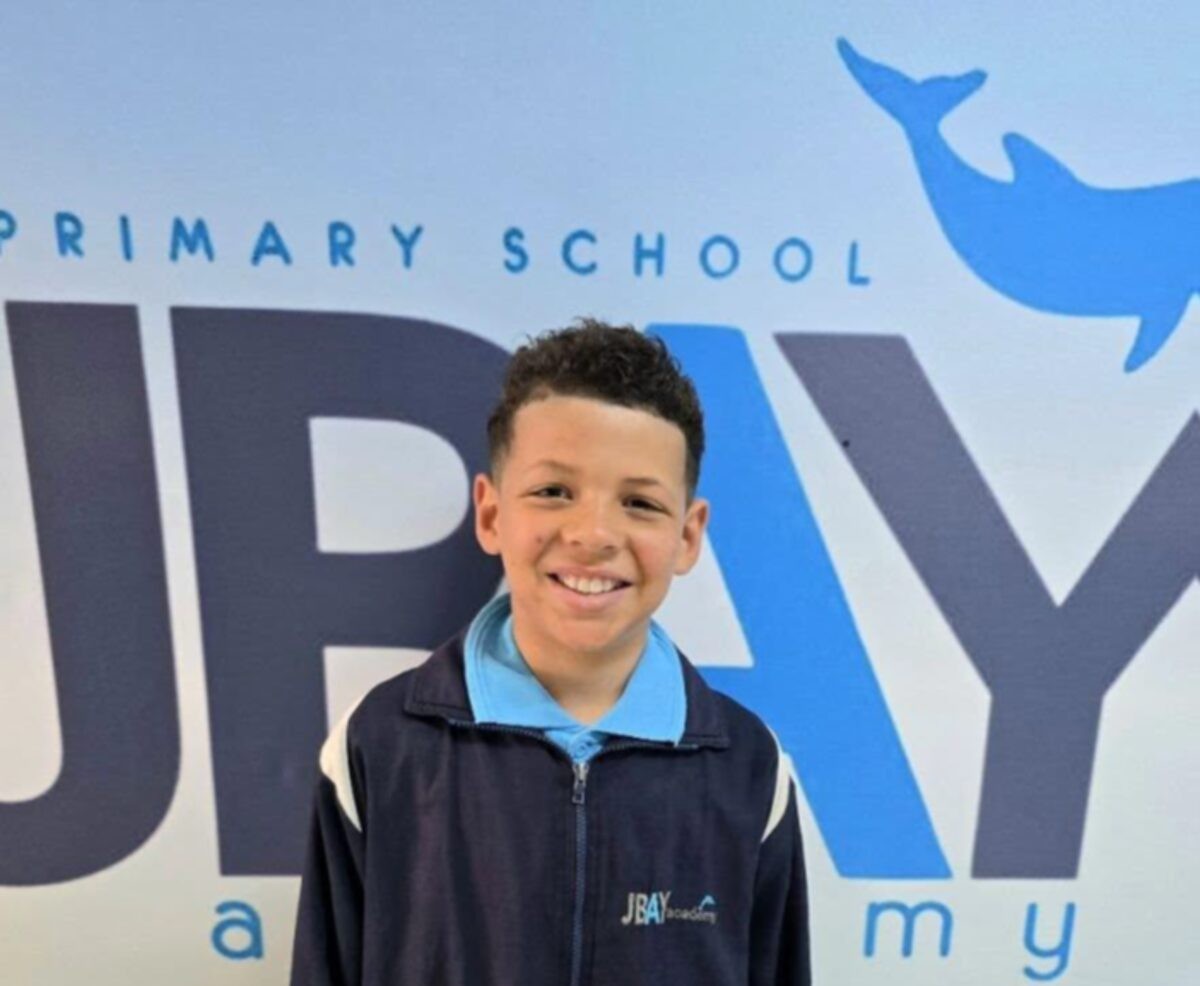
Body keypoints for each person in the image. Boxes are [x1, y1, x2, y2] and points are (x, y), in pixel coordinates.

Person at [290, 319, 811, 985]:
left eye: (640, 502)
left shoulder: (748, 769)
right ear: (490, 514)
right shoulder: (382, 747)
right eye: (553, 491)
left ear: (687, 536)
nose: (593, 533)